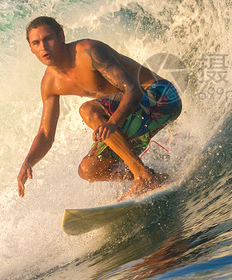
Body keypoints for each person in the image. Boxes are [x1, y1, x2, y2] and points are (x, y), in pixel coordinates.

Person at [17, 16, 182, 201]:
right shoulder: (50, 83)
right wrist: (28, 162)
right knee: (89, 170)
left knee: (88, 110)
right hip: (134, 115)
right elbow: (46, 134)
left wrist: (113, 123)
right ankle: (155, 177)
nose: (43, 47)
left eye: (48, 39)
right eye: (36, 43)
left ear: (61, 36)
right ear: (31, 48)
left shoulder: (89, 52)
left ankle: (142, 176)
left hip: (162, 97)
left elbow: (133, 89)